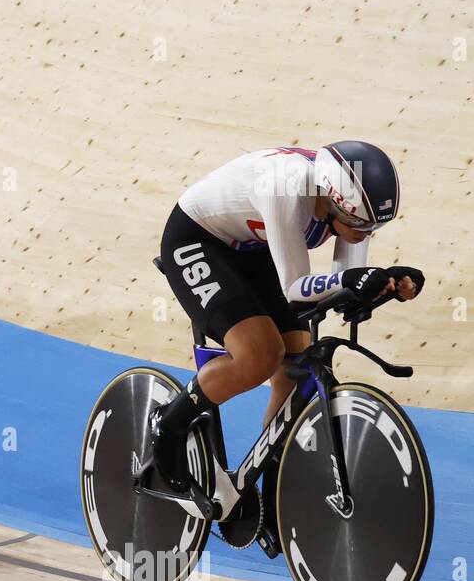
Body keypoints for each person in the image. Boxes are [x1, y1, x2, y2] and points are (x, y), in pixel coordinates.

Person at [150, 141, 425, 490]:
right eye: (358, 223)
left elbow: (343, 285)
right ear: (332, 199)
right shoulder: (286, 188)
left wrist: (380, 286)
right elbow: (296, 287)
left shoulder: (345, 204)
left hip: (254, 245)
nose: (363, 234)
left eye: (373, 227)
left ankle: (270, 487)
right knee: (259, 355)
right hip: (196, 239)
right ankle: (169, 424)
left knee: (296, 366)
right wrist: (352, 281)